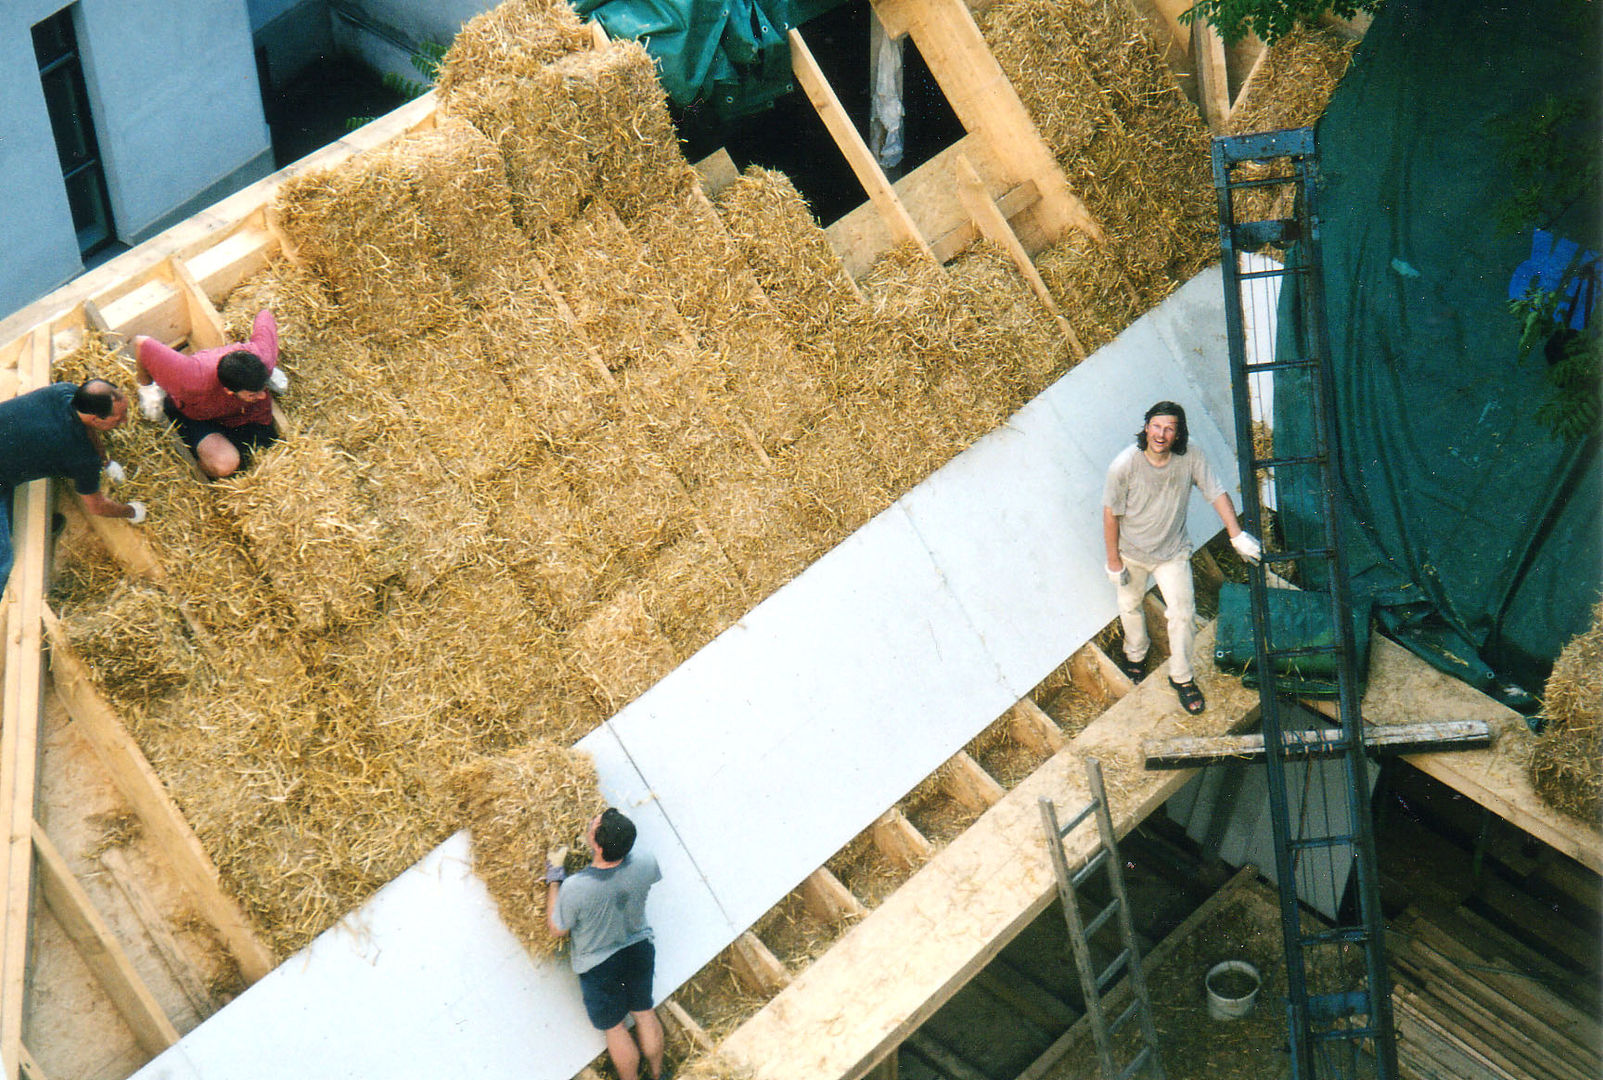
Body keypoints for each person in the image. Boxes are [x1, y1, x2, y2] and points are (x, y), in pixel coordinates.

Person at [1103, 401, 1260, 714]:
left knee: (1183, 614)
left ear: (1178, 434)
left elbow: (1215, 492)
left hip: (1171, 554)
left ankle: (1182, 677)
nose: (1161, 434)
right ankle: (1136, 655)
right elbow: (1110, 515)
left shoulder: (1192, 456)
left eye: (1169, 429)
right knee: (1130, 605)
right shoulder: (1124, 465)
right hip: (1131, 554)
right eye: (1157, 426)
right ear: (1147, 427)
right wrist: (1114, 562)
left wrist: (1236, 534)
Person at [546, 808, 669, 1080]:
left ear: (598, 846)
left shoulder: (576, 887)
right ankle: (659, 1074)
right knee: (645, 1013)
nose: (591, 823)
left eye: (594, 826)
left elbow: (557, 928)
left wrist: (555, 880)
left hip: (599, 966)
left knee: (615, 1029)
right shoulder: (646, 862)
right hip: (638, 950)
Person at [0, 380, 145, 594]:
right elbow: (97, 506)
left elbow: (86, 429)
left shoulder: (65, 391)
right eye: (119, 418)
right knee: (4, 562)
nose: (124, 421)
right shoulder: (81, 457)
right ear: (97, 419)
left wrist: (105, 462)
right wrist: (132, 511)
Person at [132, 309, 287, 479]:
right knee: (225, 465)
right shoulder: (192, 380)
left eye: (262, 389)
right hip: (198, 416)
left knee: (267, 446)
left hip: (241, 414)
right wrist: (146, 387)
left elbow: (265, 314)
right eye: (253, 394)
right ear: (229, 390)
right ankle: (201, 475)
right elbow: (142, 344)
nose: (263, 396)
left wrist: (268, 373)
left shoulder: (264, 356)